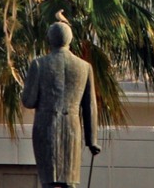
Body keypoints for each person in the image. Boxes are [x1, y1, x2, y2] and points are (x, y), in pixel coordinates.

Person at [21, 14, 100, 187]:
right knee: (69, 181)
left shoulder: (39, 65)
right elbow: (90, 106)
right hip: (72, 128)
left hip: (46, 126)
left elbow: (28, 101)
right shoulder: (84, 67)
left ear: (49, 39)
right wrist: (92, 140)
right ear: (70, 39)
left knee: (49, 181)